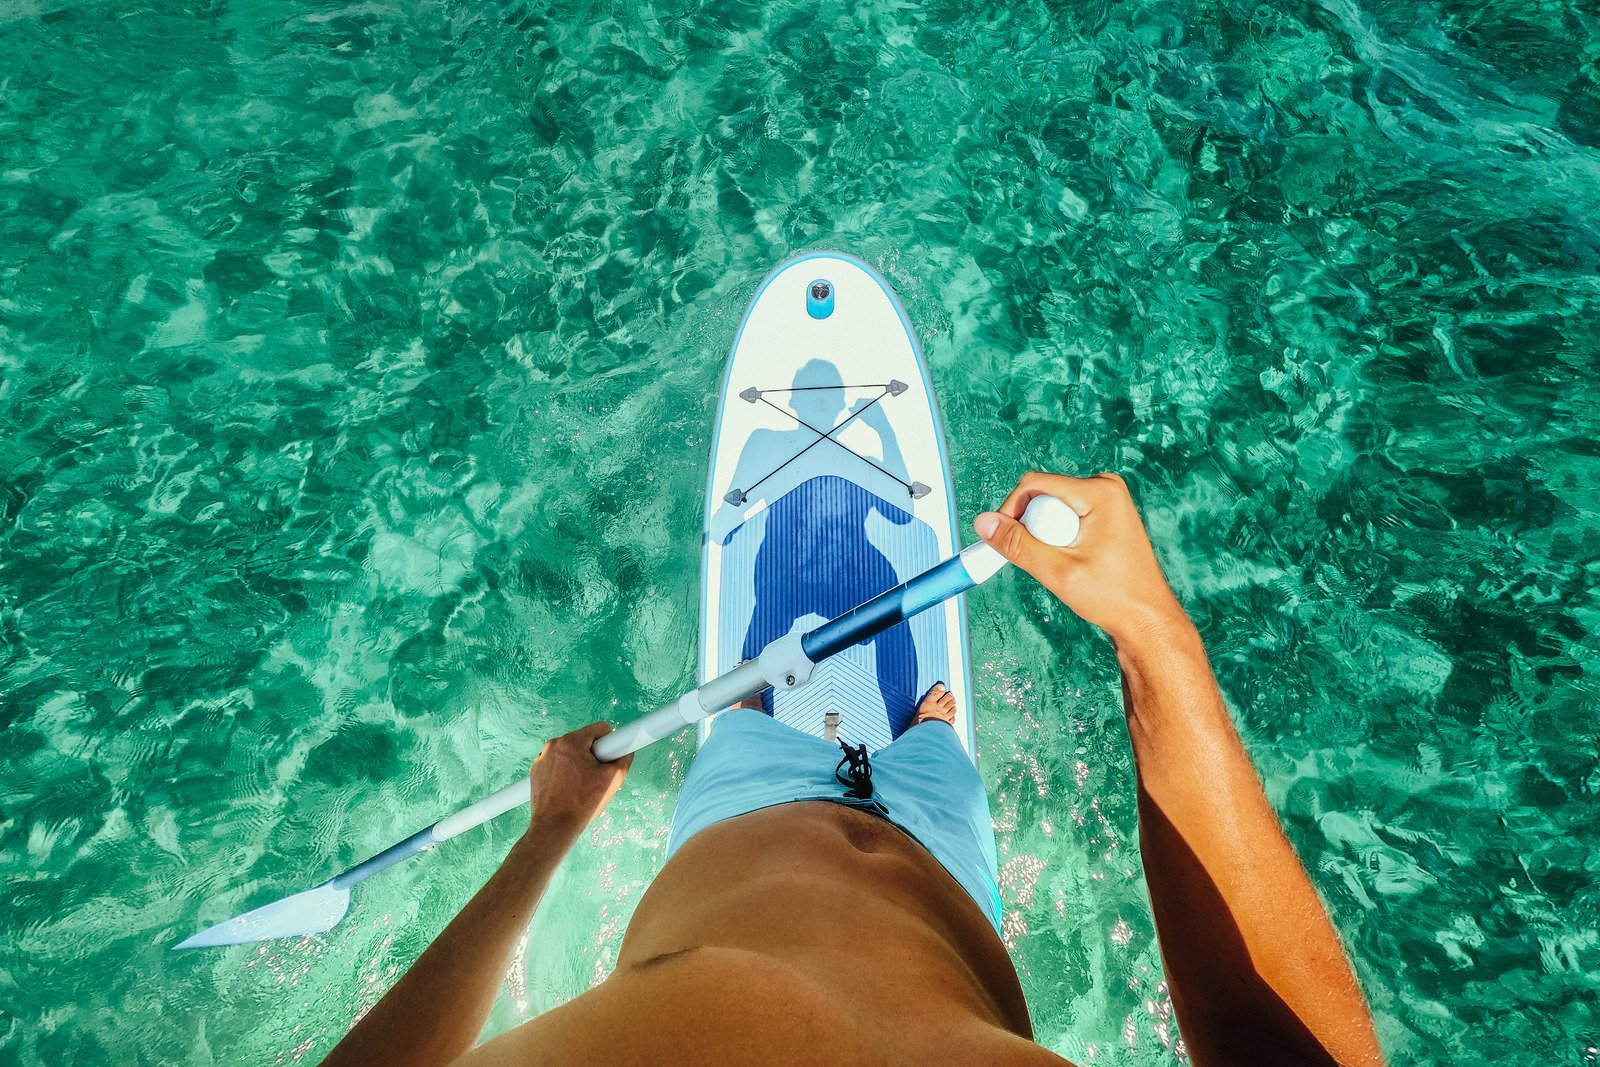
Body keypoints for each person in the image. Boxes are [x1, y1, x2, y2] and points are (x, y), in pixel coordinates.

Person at [324, 472, 1385, 1066]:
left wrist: (550, 833)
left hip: (740, 816)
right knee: (935, 729)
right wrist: (1153, 640)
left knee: (745, 709)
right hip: (944, 858)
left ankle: (771, 714)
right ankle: (926, 726)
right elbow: (1278, 1051)